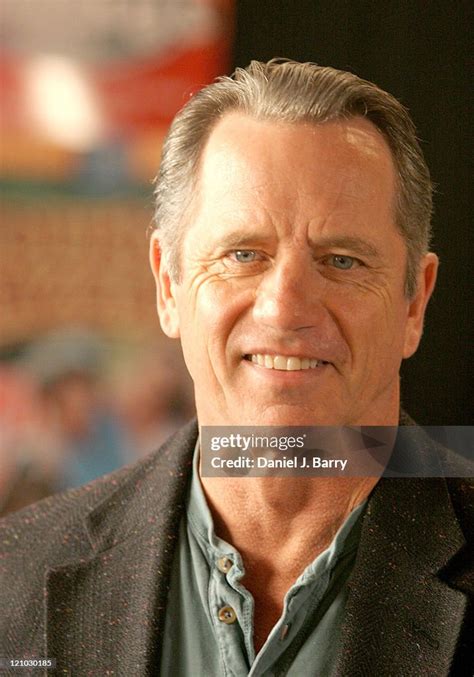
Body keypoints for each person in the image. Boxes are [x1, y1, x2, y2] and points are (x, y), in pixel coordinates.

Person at [1, 60, 472, 676]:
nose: (285, 308)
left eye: (343, 261)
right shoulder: (14, 579)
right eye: (243, 254)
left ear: (415, 302)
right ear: (169, 285)